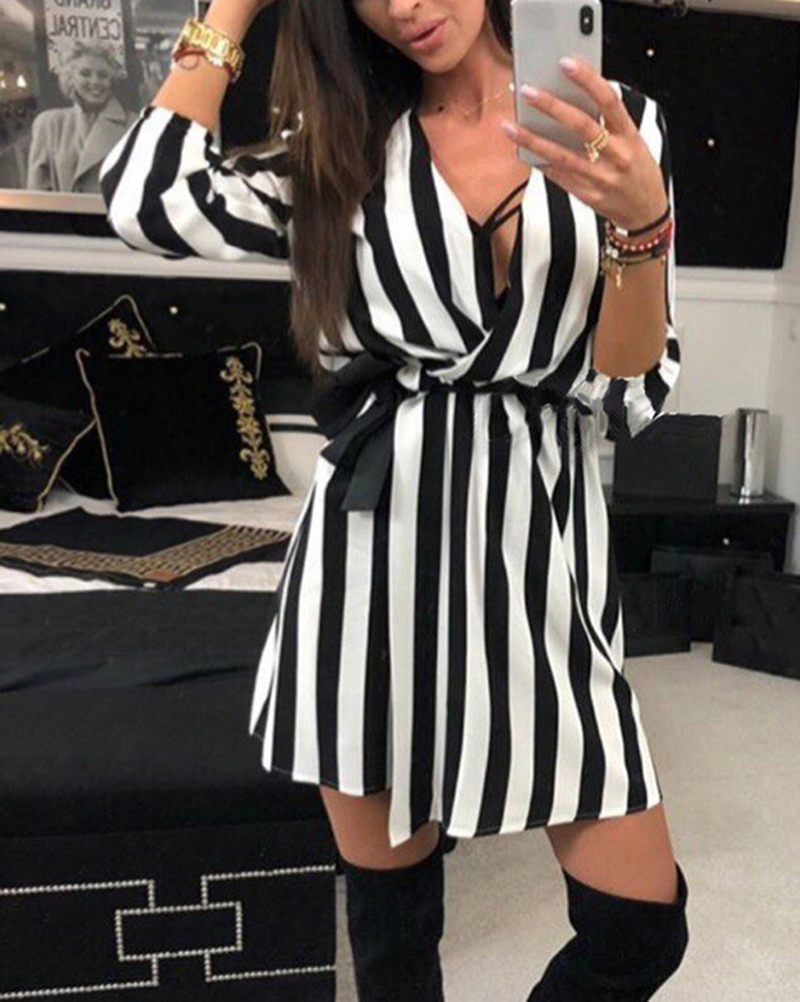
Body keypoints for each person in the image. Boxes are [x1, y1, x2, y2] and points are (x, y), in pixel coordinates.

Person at [98, 0, 690, 998]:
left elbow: (631, 383)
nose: (404, 6)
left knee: (639, 931)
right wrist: (236, 5)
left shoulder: (618, 119)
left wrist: (642, 225)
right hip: (371, 564)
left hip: (541, 562)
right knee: (393, 947)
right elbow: (143, 198)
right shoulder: (338, 147)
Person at [28, 40, 135, 193]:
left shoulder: (133, 124)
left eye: (103, 75)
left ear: (111, 80)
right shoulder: (49, 124)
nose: (95, 81)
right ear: (70, 77)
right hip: (62, 209)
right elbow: (36, 194)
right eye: (85, 73)